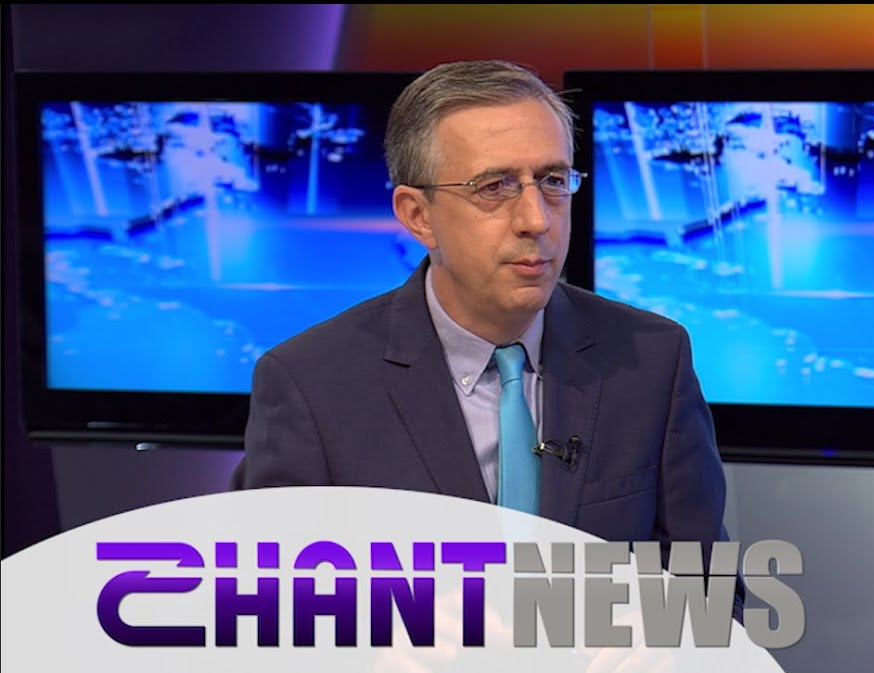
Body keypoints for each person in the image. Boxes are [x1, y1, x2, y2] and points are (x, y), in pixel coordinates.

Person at [229, 60, 740, 614]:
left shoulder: (651, 360)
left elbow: (713, 597)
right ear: (418, 215)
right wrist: (385, 648)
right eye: (494, 187)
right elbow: (268, 613)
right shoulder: (310, 385)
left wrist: (664, 646)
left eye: (553, 181)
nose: (536, 220)